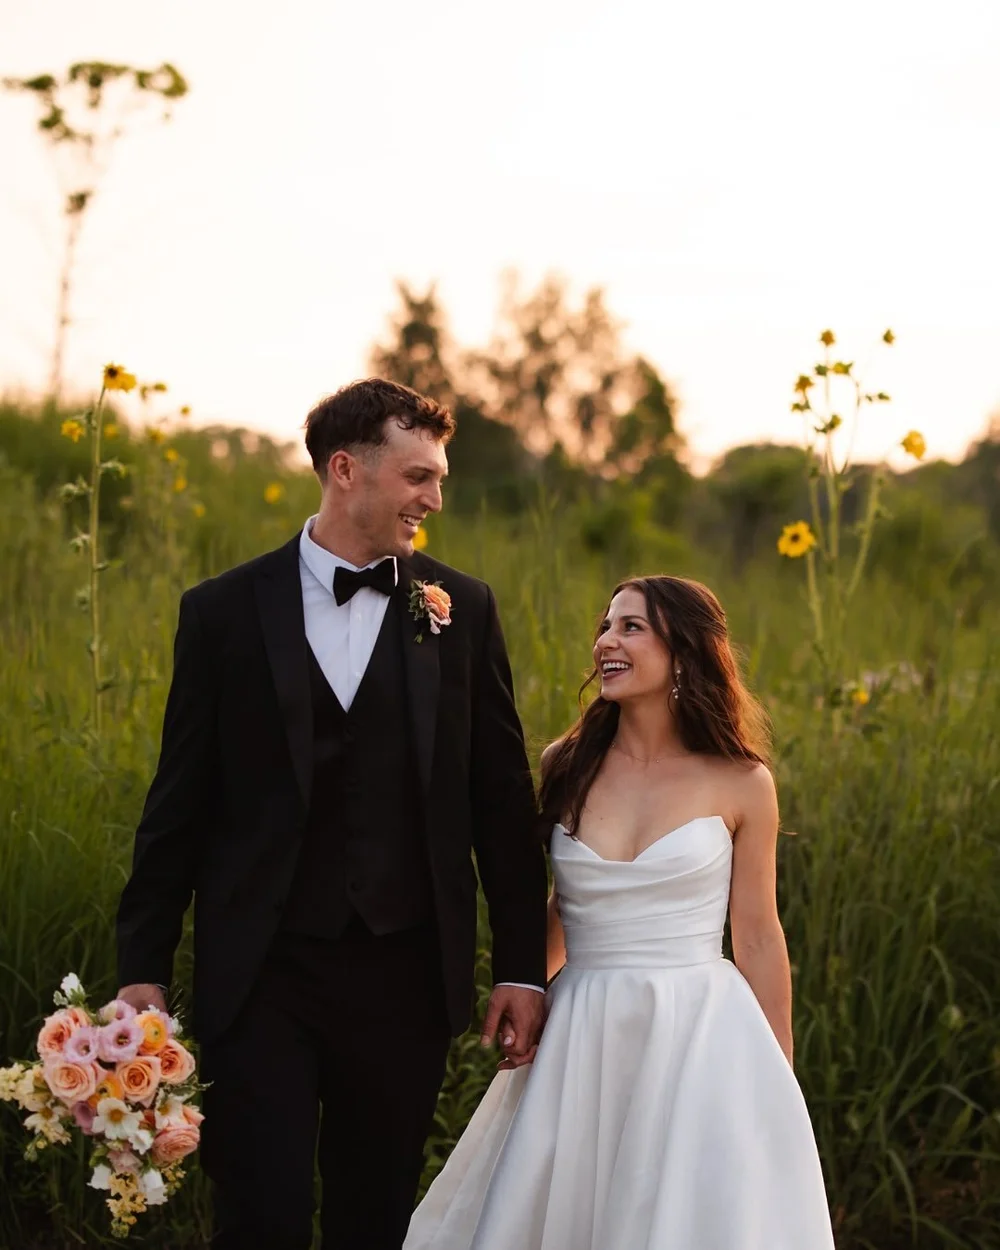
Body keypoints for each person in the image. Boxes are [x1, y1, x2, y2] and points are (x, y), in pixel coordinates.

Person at [114, 378, 549, 1250]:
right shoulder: (223, 612)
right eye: (418, 477)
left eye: (439, 480)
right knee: (259, 1212)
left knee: (373, 1213)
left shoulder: (461, 610)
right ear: (346, 469)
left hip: (403, 973)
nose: (433, 499)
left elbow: (500, 801)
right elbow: (180, 804)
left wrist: (521, 967)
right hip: (261, 970)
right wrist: (143, 967)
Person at [404, 575, 836, 1249]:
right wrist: (529, 994)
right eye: (606, 627)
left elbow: (755, 934)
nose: (607, 641)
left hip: (698, 1030)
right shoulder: (566, 764)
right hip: (582, 1026)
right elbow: (563, 906)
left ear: (686, 653)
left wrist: (776, 1068)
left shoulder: (742, 782)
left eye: (631, 628)